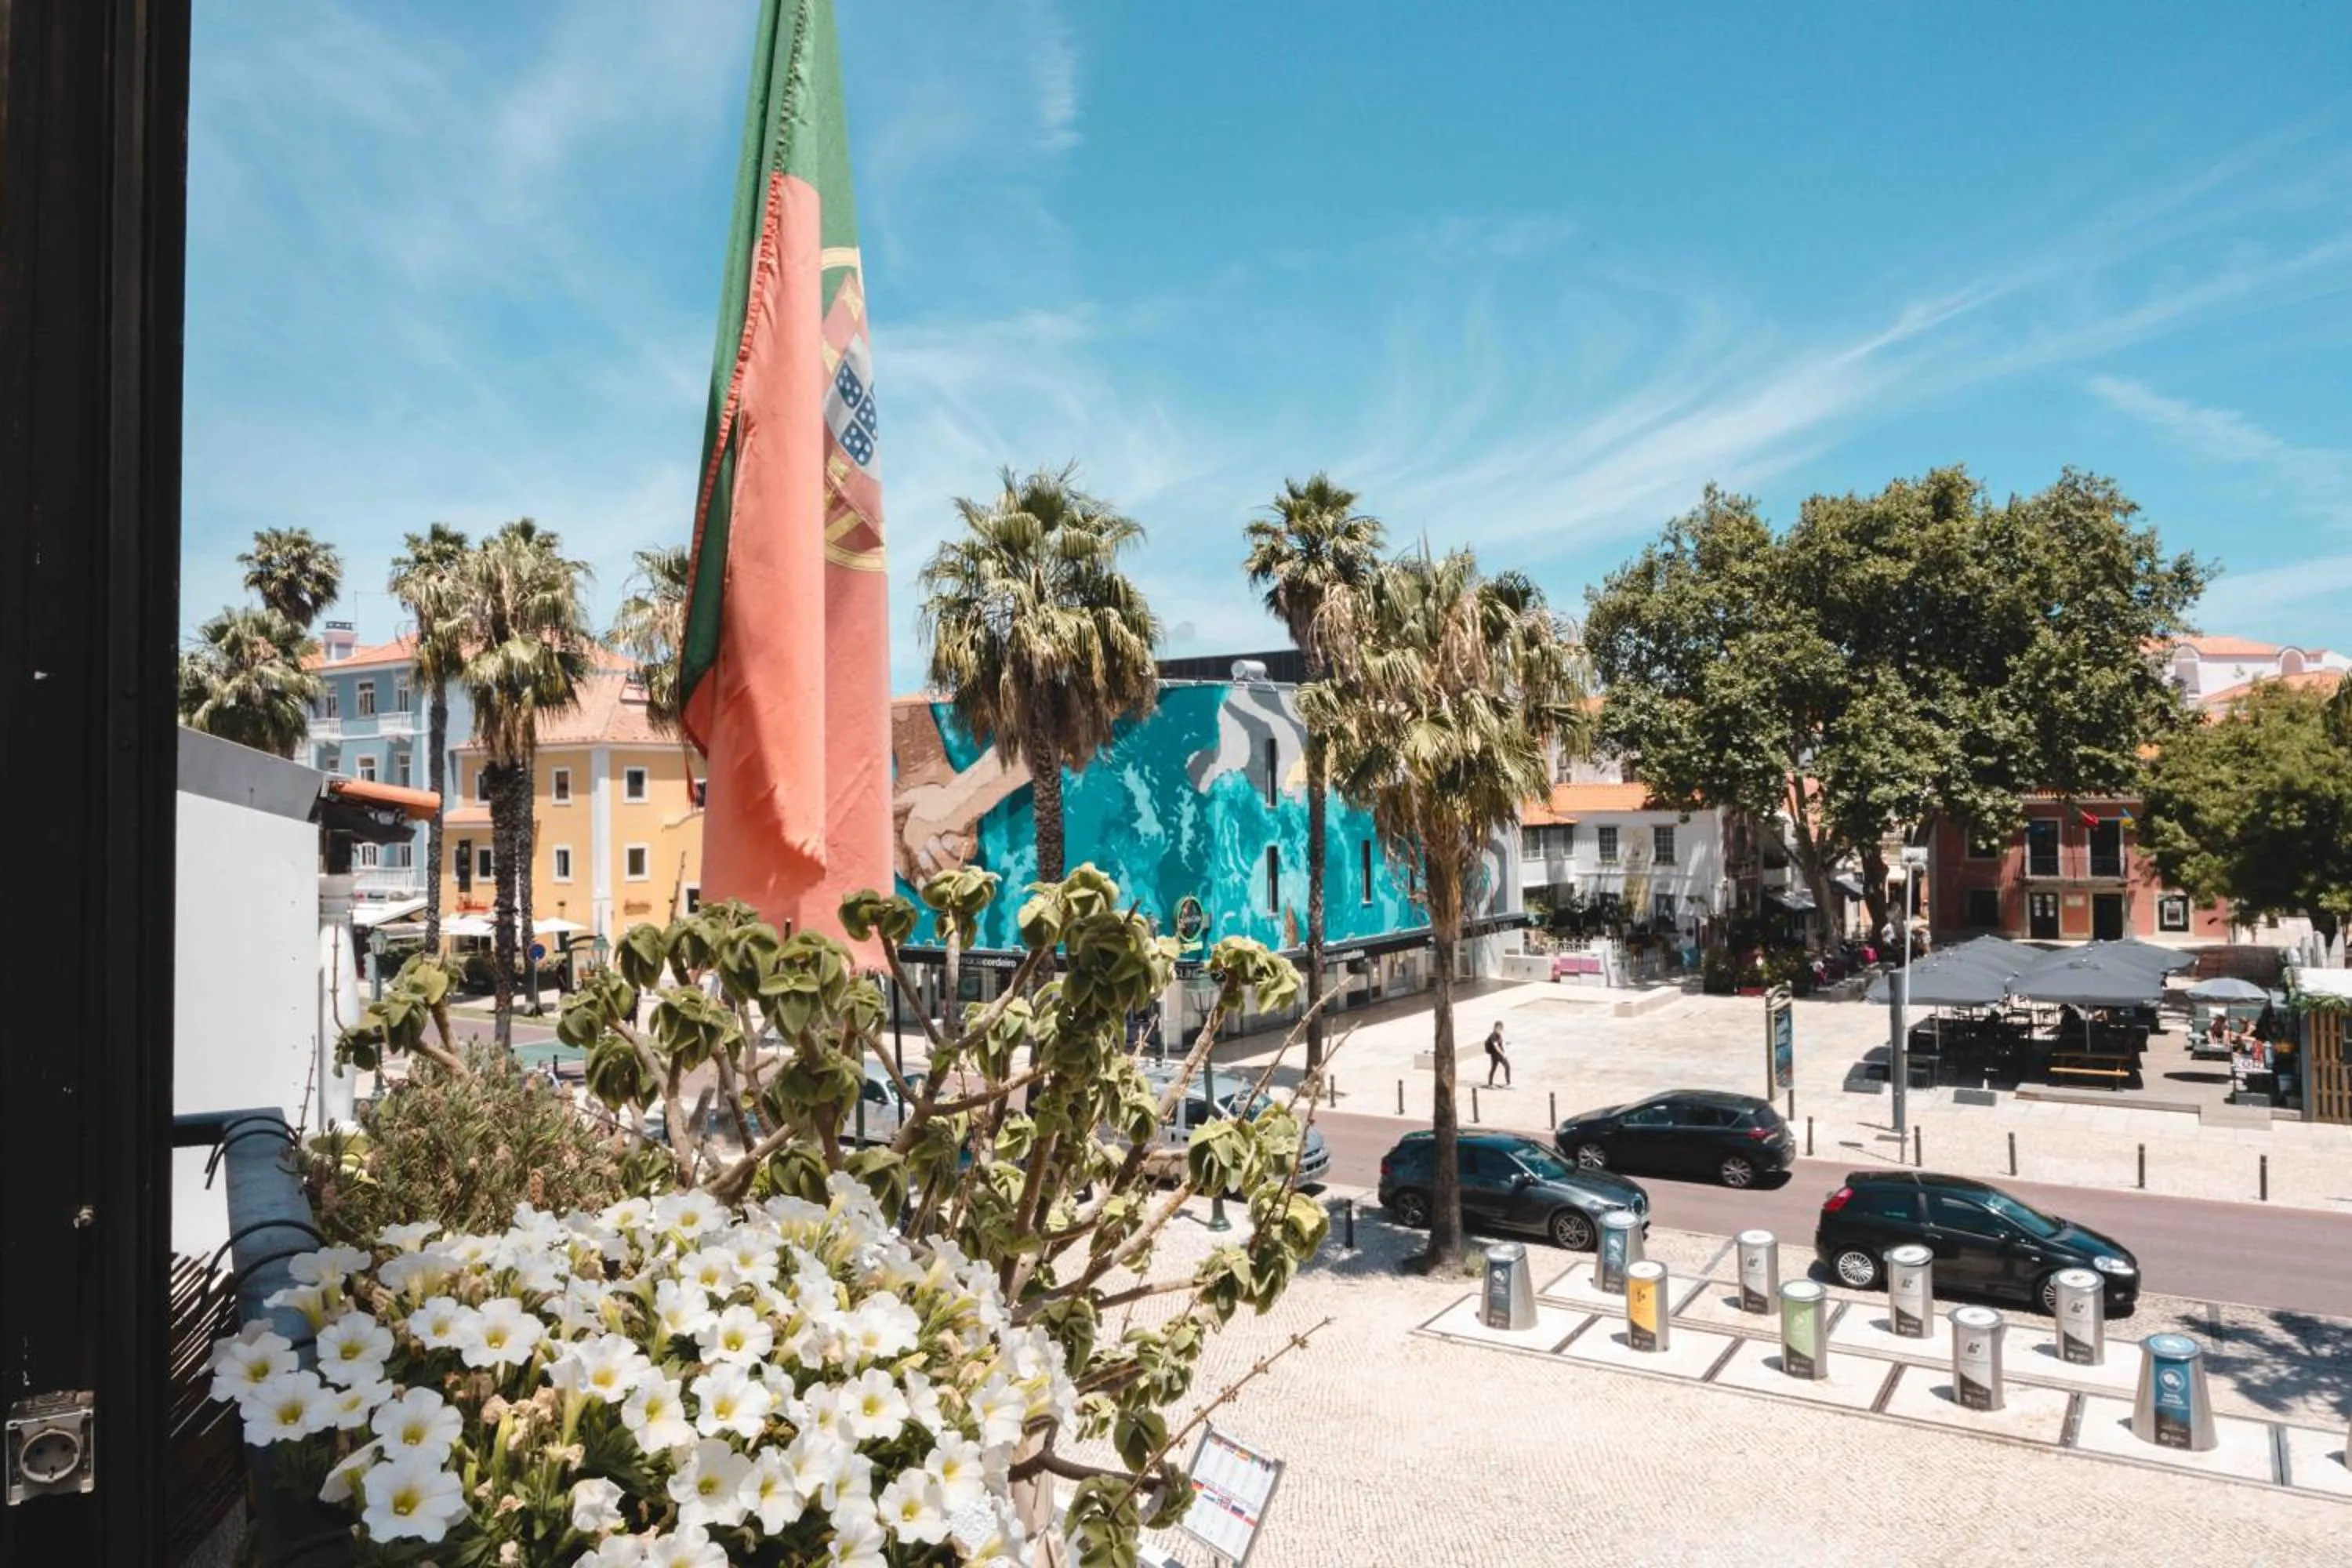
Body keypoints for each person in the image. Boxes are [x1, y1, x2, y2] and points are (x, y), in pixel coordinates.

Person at [1483, 1022, 1511, 1087]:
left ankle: (1508, 1082)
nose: (1500, 1030)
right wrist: (1503, 1054)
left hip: (1500, 1055)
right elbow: (1496, 1047)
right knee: (1493, 1068)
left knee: (1507, 1066)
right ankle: (1490, 1083)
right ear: (1495, 1028)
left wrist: (1506, 1045)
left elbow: (1501, 1043)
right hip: (1495, 1055)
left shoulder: (1499, 1035)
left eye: (1501, 1029)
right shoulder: (1493, 1036)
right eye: (1498, 1028)